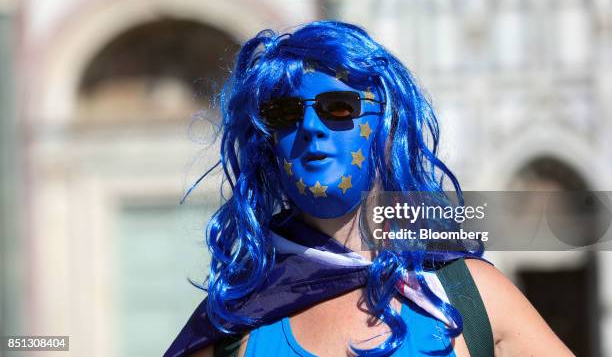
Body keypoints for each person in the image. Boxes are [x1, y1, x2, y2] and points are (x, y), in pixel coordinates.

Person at [166, 21, 573, 357]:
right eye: (285, 114)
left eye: (338, 108)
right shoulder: (233, 324)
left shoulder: (469, 296)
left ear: (388, 127)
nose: (310, 128)